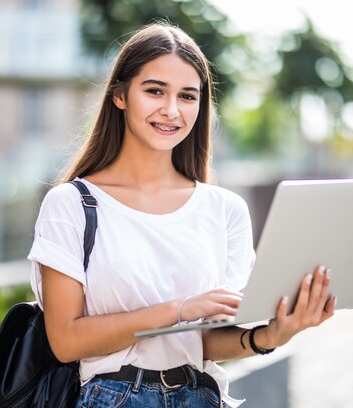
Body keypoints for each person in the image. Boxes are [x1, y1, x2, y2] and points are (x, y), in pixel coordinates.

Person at [27, 22, 336, 408]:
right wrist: (178, 310)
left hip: (201, 397)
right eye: (155, 90)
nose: (171, 110)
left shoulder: (225, 210)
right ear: (120, 95)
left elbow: (204, 341)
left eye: (188, 96)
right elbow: (66, 341)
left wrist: (270, 336)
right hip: (111, 398)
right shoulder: (72, 204)